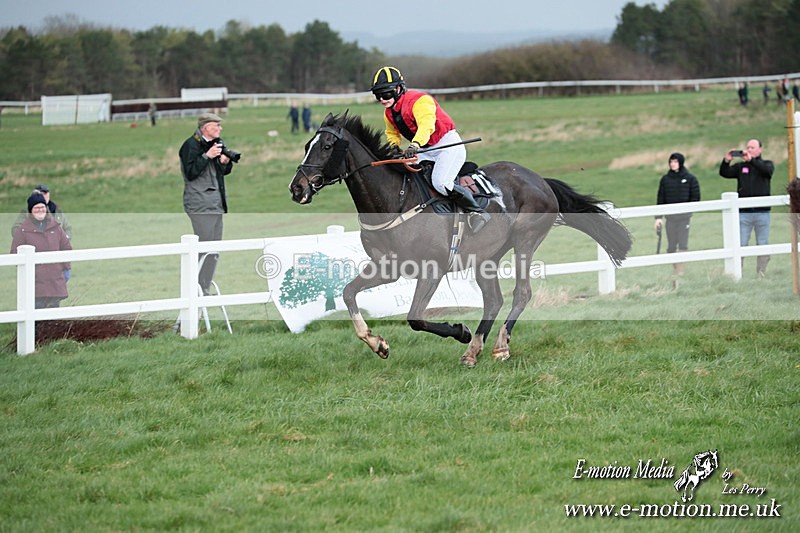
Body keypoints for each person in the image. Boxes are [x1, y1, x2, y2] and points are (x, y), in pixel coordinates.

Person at [370, 66, 490, 232]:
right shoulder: (388, 113)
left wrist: (415, 144)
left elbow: (427, 125)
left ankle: (477, 212)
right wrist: (394, 147)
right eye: (378, 96)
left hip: (446, 144)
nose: (382, 99)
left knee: (440, 183)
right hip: (425, 149)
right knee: (404, 174)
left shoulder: (420, 101)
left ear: (398, 89)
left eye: (386, 94)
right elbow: (392, 133)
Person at [179, 112, 234, 294]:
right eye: (216, 125)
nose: (220, 128)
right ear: (205, 127)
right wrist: (207, 156)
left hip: (216, 204)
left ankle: (204, 288)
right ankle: (193, 289)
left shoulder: (217, 143)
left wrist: (225, 162)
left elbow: (222, 172)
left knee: (214, 250)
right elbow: (190, 173)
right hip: (200, 205)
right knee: (203, 249)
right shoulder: (190, 145)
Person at [719, 139, 775, 277]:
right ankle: (738, 274)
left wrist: (752, 161)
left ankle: (761, 273)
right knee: (741, 244)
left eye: (752, 147)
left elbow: (767, 172)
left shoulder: (767, 164)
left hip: (762, 212)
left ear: (760, 149)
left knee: (762, 243)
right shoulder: (741, 167)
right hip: (744, 213)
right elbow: (724, 173)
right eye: (748, 147)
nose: (749, 149)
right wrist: (726, 160)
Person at [11, 193, 72, 308]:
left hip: (55, 283)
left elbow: (66, 248)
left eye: (42, 207)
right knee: (37, 313)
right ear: (31, 210)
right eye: (36, 207)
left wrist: (66, 269)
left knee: (54, 314)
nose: (40, 210)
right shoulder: (22, 231)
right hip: (35, 284)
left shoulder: (56, 228)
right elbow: (15, 254)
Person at [654, 153, 700, 276]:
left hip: (684, 218)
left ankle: (680, 272)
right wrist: (658, 218)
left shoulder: (690, 178)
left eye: (675, 161)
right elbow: (661, 199)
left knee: (683, 245)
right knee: (671, 247)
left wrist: (687, 210)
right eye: (671, 161)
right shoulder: (665, 180)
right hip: (670, 218)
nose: (672, 164)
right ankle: (676, 270)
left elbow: (695, 197)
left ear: (680, 162)